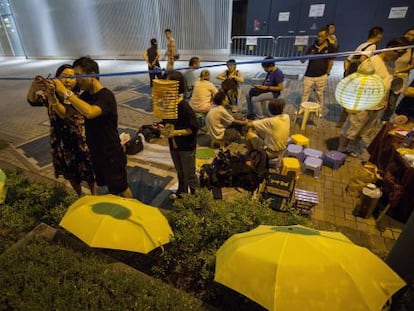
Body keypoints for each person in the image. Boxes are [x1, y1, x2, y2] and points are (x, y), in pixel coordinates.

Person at [50, 57, 132, 198]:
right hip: (96, 153)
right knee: (111, 190)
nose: (76, 80)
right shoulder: (86, 96)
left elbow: (90, 112)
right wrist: (52, 96)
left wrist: (65, 91)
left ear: (92, 74)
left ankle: (132, 212)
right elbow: (65, 113)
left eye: (79, 76)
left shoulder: (106, 96)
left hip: (111, 154)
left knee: (121, 189)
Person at [27, 64, 96, 197]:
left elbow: (64, 112)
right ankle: (80, 195)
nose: (67, 80)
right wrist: (34, 87)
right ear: (57, 78)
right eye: (64, 77)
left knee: (88, 171)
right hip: (61, 142)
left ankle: (94, 195)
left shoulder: (78, 98)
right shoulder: (51, 96)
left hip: (80, 140)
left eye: (72, 77)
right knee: (70, 174)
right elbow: (32, 100)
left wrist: (59, 93)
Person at [338, 39, 406, 157]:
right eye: (398, 54)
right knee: (351, 127)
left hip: (377, 106)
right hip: (364, 104)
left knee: (364, 130)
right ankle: (341, 148)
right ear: (390, 48)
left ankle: (351, 148)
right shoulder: (372, 62)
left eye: (401, 55)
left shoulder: (391, 64)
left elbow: (387, 84)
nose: (398, 57)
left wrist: (385, 100)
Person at [160, 71, 199, 200]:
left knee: (190, 175)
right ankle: (182, 194)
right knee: (180, 172)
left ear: (176, 85)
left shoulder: (184, 106)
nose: (165, 84)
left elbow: (192, 129)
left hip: (186, 146)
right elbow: (168, 123)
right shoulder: (169, 104)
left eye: (168, 82)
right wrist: (161, 127)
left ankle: (197, 200)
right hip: (174, 145)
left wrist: (175, 133)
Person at [338, 26, 384, 127]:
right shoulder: (372, 46)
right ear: (379, 35)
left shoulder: (362, 45)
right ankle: (348, 123)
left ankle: (341, 121)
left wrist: (347, 72)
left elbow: (347, 60)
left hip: (351, 75)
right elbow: (363, 59)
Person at [301, 28, 337, 115]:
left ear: (327, 37)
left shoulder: (330, 47)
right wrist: (306, 54)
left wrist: (327, 72)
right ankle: (302, 109)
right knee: (305, 93)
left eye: (322, 36)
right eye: (318, 36)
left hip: (321, 75)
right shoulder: (313, 46)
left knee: (319, 94)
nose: (319, 38)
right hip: (309, 74)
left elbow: (331, 61)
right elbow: (302, 60)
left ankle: (319, 110)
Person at [383, 29, 414, 121]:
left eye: (412, 35)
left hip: (400, 78)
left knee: (392, 102)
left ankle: (385, 121)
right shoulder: (395, 45)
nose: (409, 36)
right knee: (381, 98)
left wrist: (398, 71)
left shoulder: (412, 50)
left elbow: (412, 65)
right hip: (387, 74)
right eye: (408, 33)